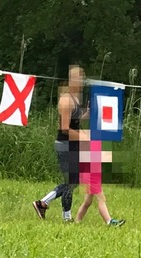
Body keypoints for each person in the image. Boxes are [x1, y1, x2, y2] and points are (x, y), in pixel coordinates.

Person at [34, 66, 88, 223]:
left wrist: (85, 115)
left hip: (73, 144)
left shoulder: (75, 98)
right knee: (71, 181)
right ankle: (47, 205)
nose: (82, 82)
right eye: (80, 78)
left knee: (72, 181)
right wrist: (84, 137)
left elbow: (74, 120)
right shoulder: (66, 100)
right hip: (65, 144)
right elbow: (64, 128)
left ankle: (48, 205)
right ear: (72, 80)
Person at [75, 138, 125, 226]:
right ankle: (109, 221)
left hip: (93, 175)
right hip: (91, 176)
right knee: (101, 199)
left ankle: (77, 221)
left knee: (87, 202)